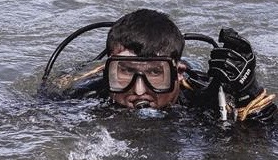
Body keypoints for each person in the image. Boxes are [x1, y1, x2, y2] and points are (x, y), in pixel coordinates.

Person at [41, 8, 276, 124]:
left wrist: (248, 92)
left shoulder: (202, 100)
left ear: (178, 73)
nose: (140, 91)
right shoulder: (88, 95)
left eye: (155, 73)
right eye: (125, 72)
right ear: (107, 72)